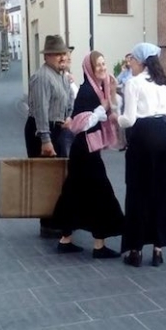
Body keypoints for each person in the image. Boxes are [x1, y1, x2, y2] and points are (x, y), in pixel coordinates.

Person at [51, 51, 123, 258]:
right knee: (101, 193)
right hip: (85, 151)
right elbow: (81, 124)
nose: (102, 67)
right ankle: (99, 245)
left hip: (83, 151)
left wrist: (110, 96)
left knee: (75, 192)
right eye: (97, 65)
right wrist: (103, 108)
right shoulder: (87, 92)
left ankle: (65, 239)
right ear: (89, 69)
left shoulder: (97, 90)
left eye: (103, 63)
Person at [117, 43, 166, 267]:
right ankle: (158, 249)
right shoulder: (165, 85)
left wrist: (114, 116)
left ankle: (135, 250)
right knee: (164, 191)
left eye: (132, 60)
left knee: (139, 191)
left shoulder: (132, 84)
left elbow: (130, 119)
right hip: (165, 136)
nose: (129, 63)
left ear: (142, 62)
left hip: (143, 137)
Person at [24, 35, 75, 238]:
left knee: (59, 176)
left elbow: (68, 99)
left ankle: (57, 220)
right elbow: (40, 111)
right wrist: (46, 140)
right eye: (57, 54)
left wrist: (69, 117)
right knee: (46, 178)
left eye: (64, 53)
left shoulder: (61, 74)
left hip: (57, 128)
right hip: (42, 130)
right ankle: (48, 223)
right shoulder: (42, 77)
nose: (62, 57)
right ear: (48, 56)